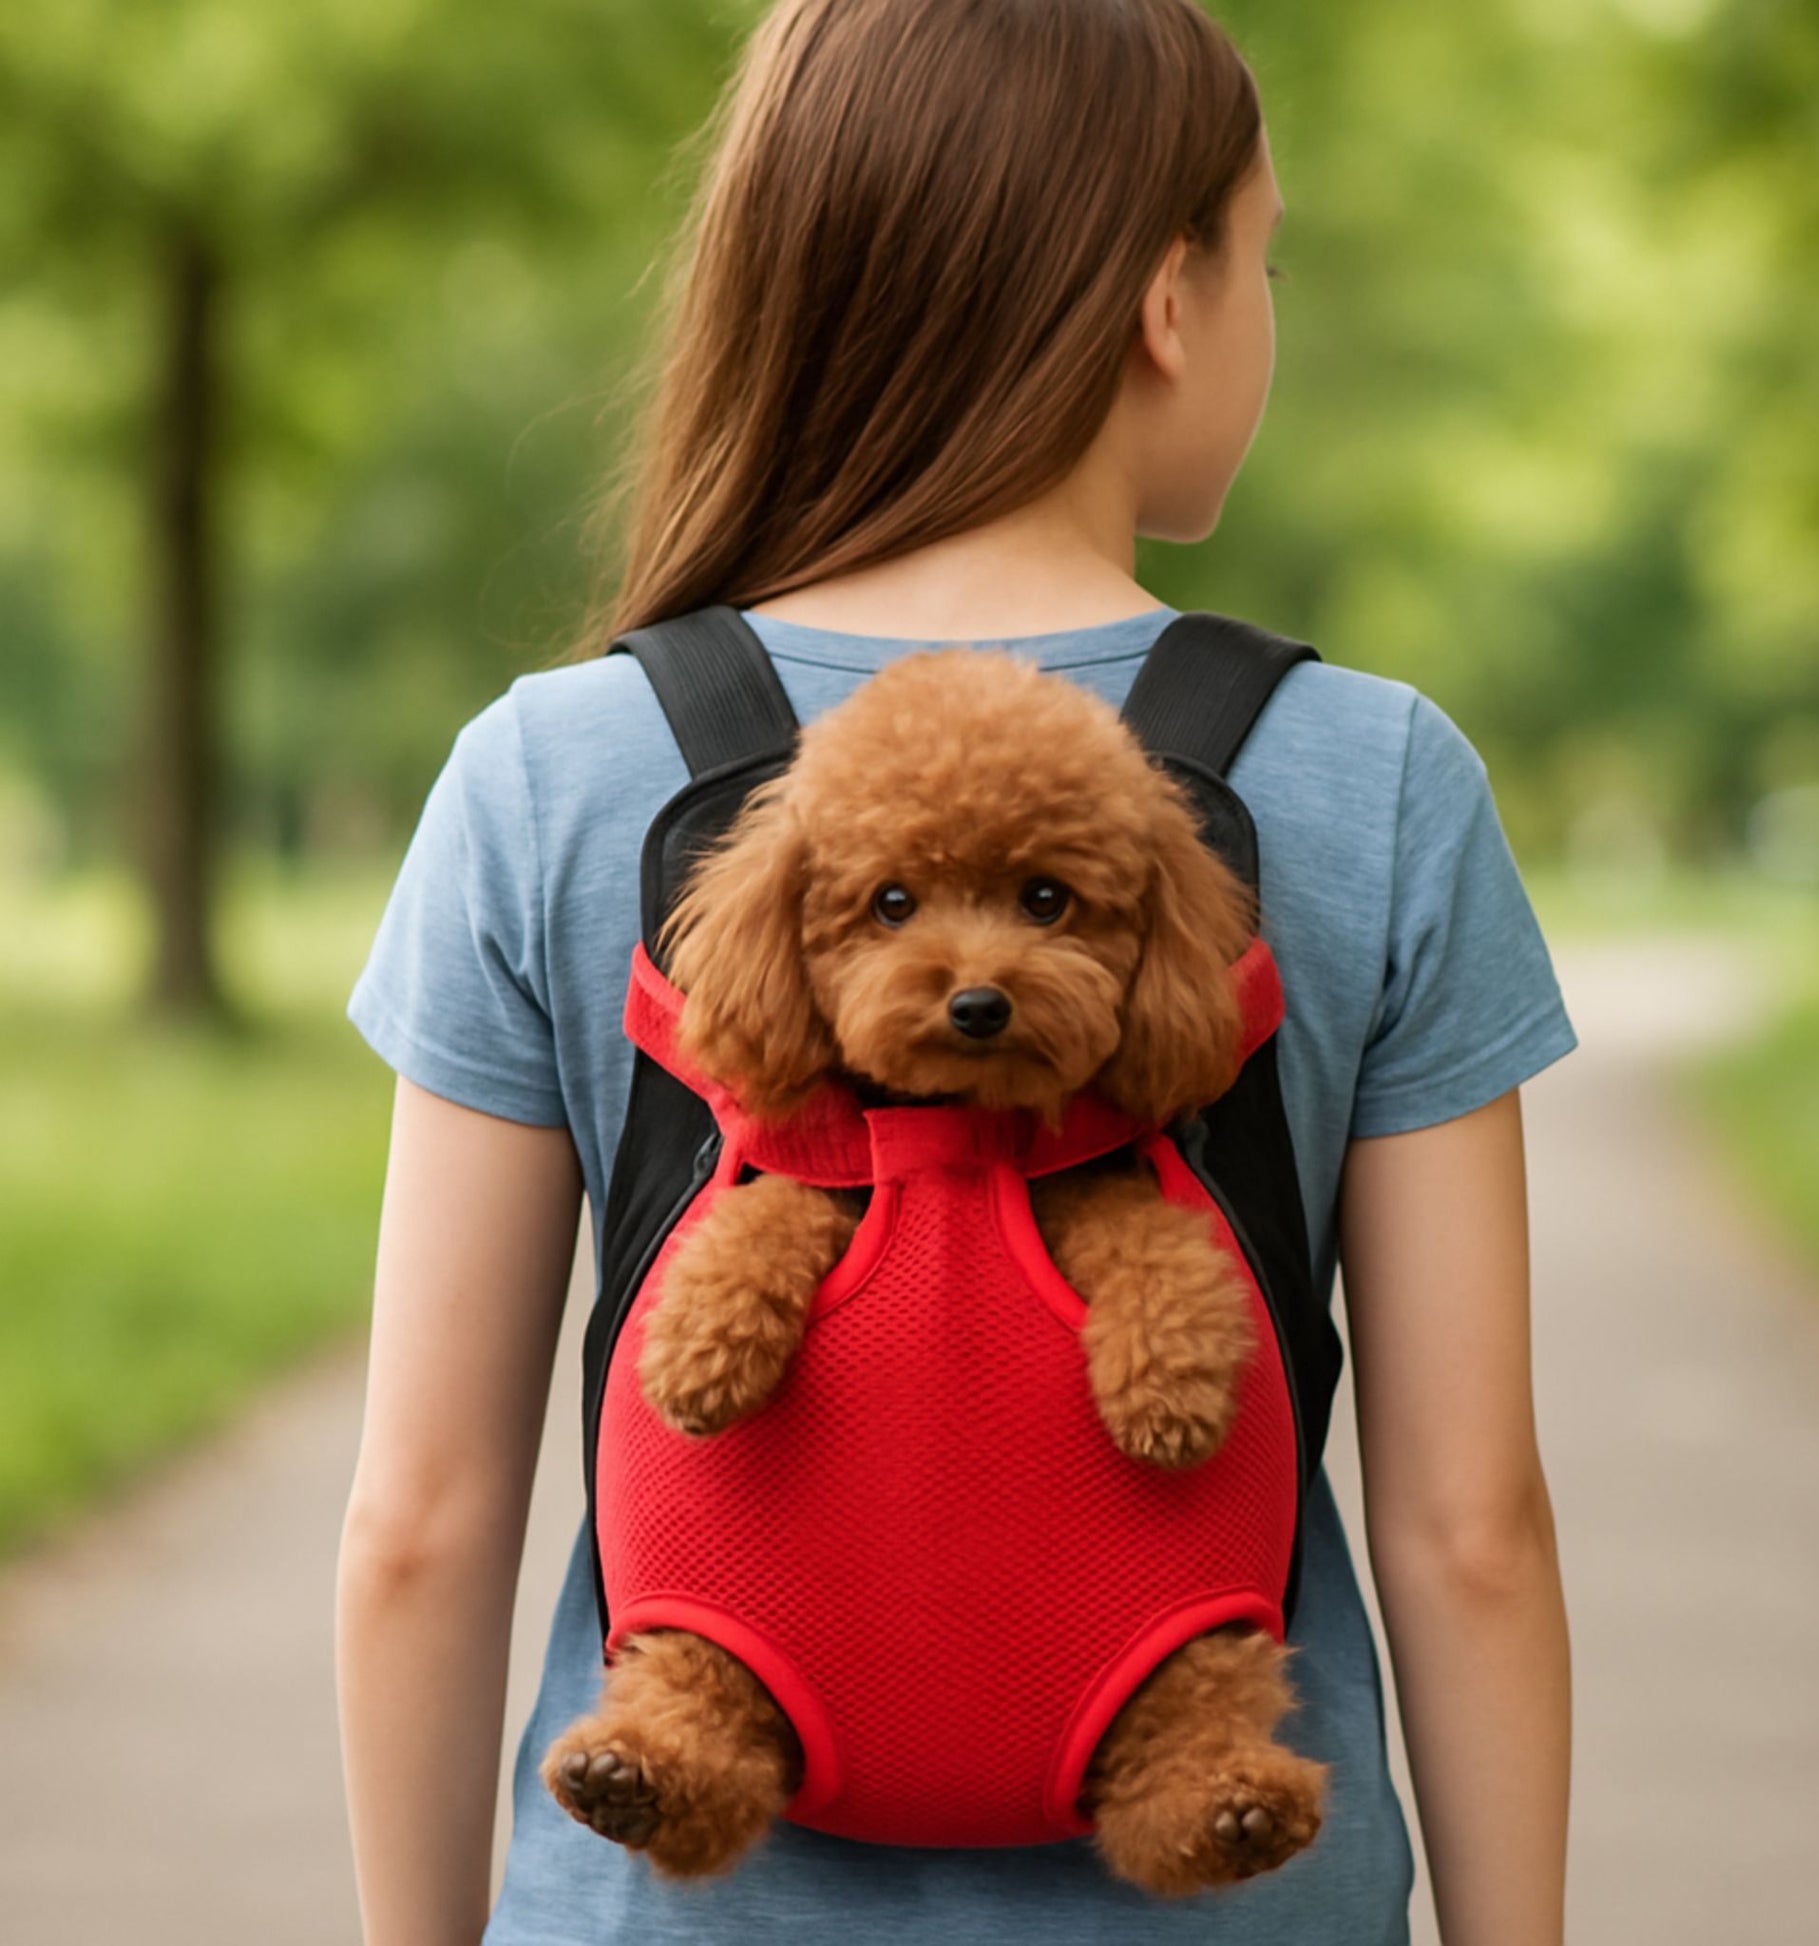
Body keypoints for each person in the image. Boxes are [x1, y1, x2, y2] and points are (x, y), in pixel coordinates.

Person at [335, 2, 1577, 1942]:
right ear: (1168, 297)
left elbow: (422, 1516)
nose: (1266, 310)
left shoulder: (551, 771)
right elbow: (1466, 1528)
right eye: (1267, 256)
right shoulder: (1376, 777)